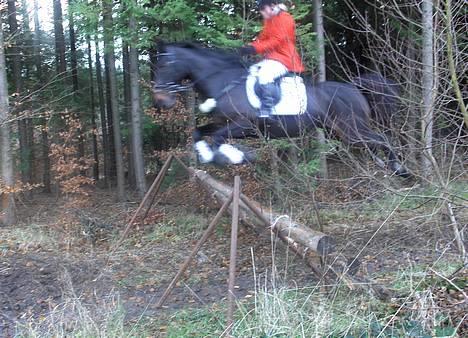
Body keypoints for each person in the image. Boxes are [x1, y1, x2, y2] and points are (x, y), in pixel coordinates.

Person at [240, 0, 305, 117]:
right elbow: (263, 38)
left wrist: (255, 49)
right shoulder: (269, 20)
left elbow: (277, 40)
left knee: (265, 74)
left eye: (264, 11)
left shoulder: (285, 18)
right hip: (273, 58)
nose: (263, 14)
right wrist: (250, 46)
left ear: (272, 6)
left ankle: (267, 109)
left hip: (285, 59)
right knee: (253, 70)